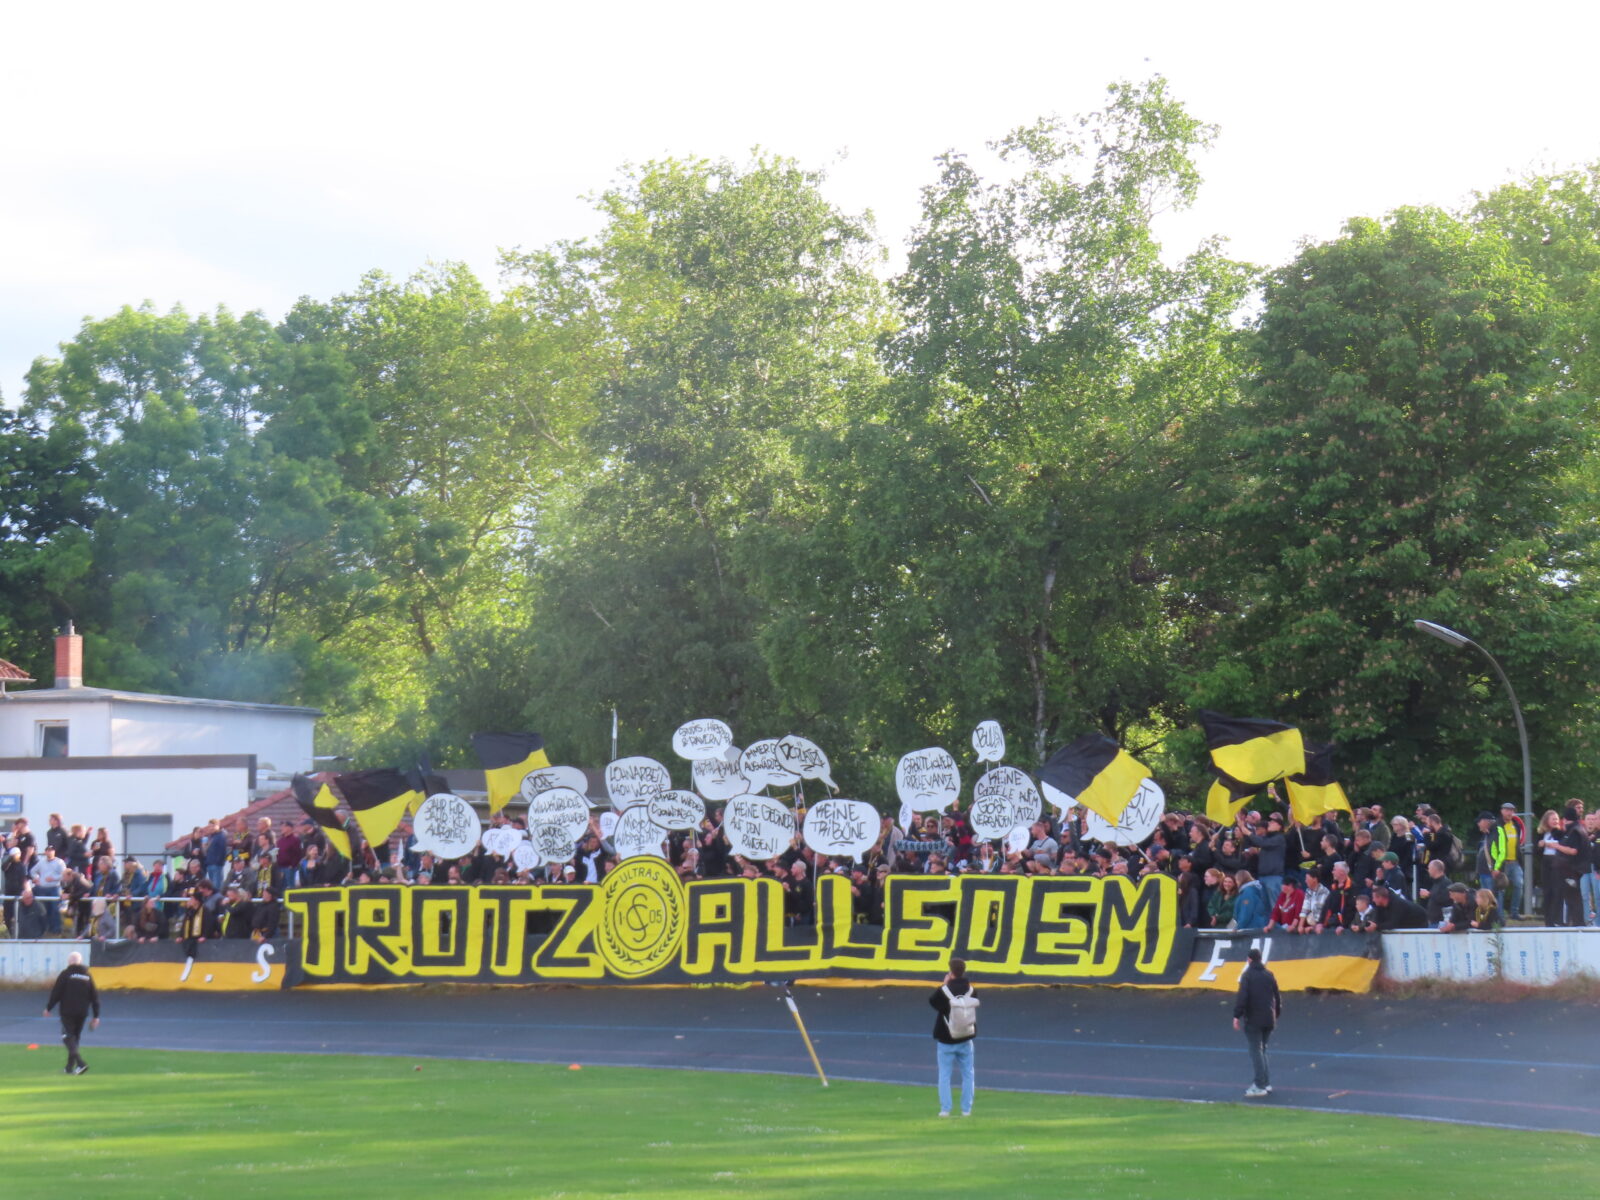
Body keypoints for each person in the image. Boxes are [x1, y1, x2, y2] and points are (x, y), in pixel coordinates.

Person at [929, 956, 978, 1118]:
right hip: (966, 1036)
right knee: (968, 1074)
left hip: (946, 1038)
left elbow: (933, 1002)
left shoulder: (944, 992)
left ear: (951, 972)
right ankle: (966, 1109)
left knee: (944, 1074)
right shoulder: (971, 990)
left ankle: (946, 1109)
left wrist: (944, 984)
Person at [1232, 947, 1280, 1098]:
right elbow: (1277, 997)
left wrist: (1236, 1015)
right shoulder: (1269, 974)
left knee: (1256, 1051)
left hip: (1253, 1019)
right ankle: (1265, 1082)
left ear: (1249, 960)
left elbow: (1242, 997)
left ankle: (1259, 1084)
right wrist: (1276, 1014)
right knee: (1263, 1049)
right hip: (1269, 1018)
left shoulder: (1247, 976)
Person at [44, 950, 100, 1075]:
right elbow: (94, 996)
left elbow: (56, 992)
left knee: (67, 1037)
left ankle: (81, 1063)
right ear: (80, 962)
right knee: (75, 1039)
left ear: (69, 962)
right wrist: (96, 1016)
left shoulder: (66, 974)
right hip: (82, 1012)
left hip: (67, 1011)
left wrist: (48, 1008)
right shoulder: (87, 975)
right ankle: (70, 1067)